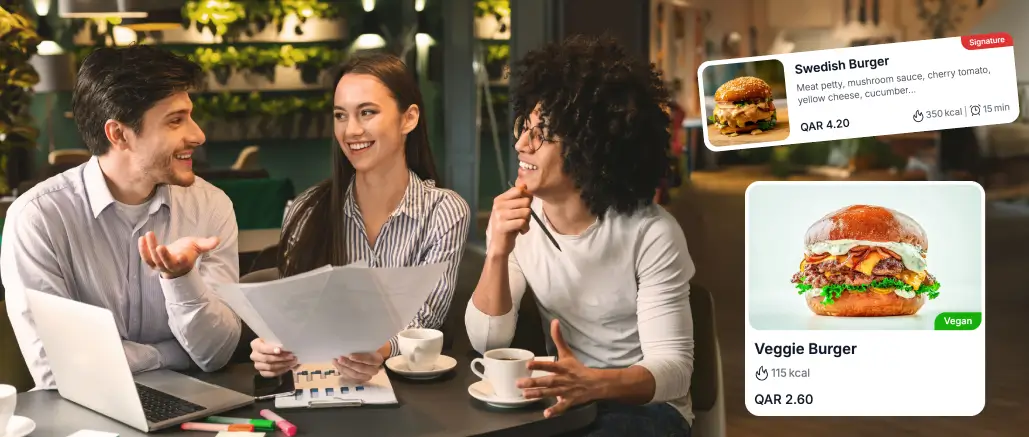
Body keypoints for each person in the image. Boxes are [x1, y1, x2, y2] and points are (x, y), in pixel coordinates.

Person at [464, 35, 696, 437]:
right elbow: (487, 342)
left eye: (541, 134)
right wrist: (497, 251)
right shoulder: (519, 221)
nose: (521, 144)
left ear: (590, 148)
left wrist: (594, 383)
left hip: (648, 410)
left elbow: (674, 371)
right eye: (524, 127)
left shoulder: (651, 233)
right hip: (568, 404)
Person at [2, 45, 242, 390]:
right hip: (87, 408)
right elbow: (58, 371)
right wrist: (170, 355)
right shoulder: (38, 218)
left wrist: (181, 279)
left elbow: (215, 355)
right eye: (175, 120)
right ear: (119, 134)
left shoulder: (210, 206)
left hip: (193, 401)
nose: (198, 135)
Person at [248, 52, 471, 382]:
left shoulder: (443, 211)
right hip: (320, 385)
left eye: (367, 112)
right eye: (341, 115)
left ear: (408, 119)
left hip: (408, 390)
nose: (351, 130)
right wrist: (272, 348)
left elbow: (426, 318)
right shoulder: (305, 209)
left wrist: (378, 350)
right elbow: (294, 318)